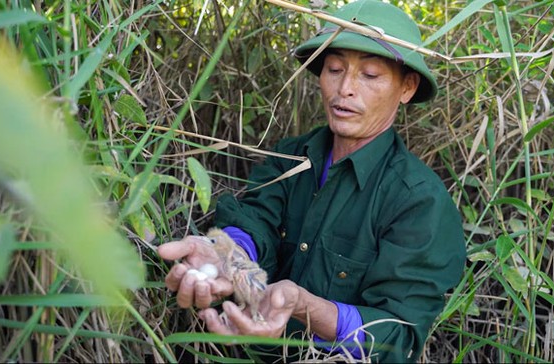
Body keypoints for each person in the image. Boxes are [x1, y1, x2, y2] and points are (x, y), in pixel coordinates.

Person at [158, 0, 466, 362]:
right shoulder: (292, 157)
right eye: (334, 69)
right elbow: (256, 219)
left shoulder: (419, 202)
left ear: (407, 87)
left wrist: (305, 307)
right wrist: (228, 255)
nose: (345, 88)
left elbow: (398, 337)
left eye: (369, 76)